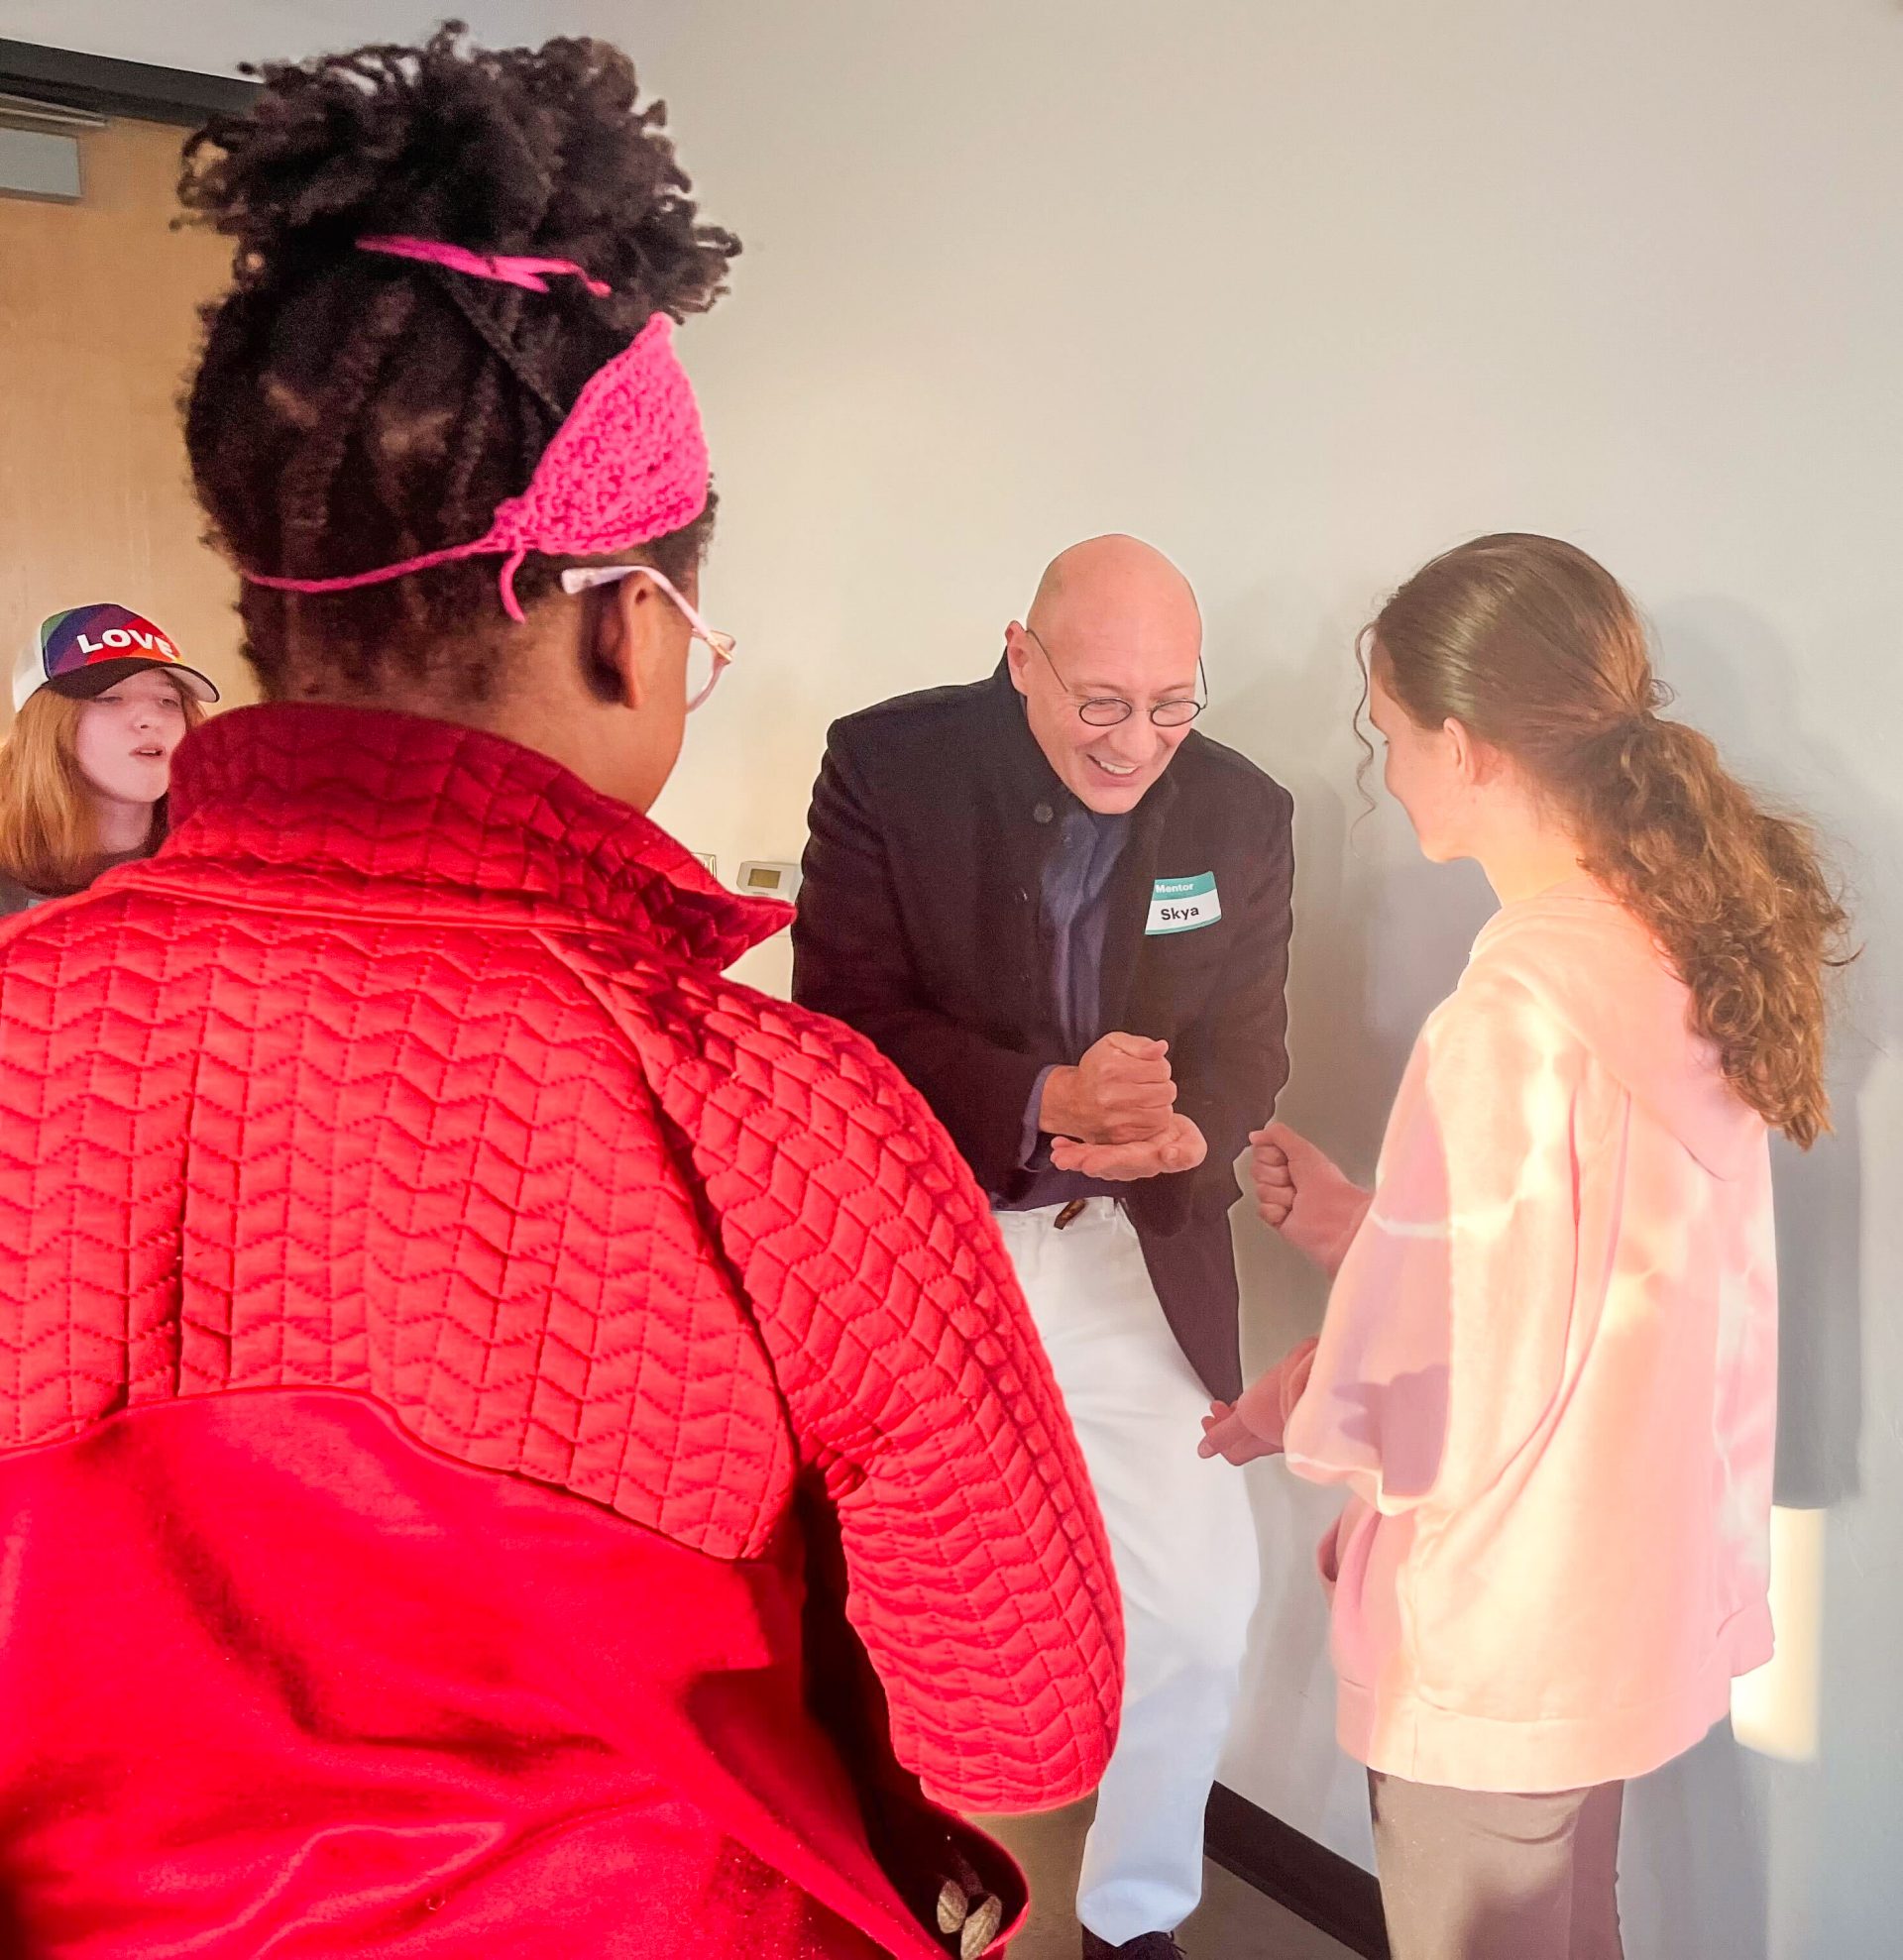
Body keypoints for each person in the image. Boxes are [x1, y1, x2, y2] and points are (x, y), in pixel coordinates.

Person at [0, 29, 1120, 1959]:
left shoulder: (25, 1022)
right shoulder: (781, 1116)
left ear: (269, 618)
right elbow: (1020, 1708)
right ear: (626, 625)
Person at [1200, 533, 1847, 1960]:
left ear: (1470, 743)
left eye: (1389, 732)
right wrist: (1370, 1231)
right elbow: (1582, 1296)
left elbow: (1445, 1386)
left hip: (1500, 1632)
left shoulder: (1509, 1018)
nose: (1386, 767)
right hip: (1618, 1598)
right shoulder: (1674, 957)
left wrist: (1285, 1397)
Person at [793, 535, 1295, 1959]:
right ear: (1022, 655)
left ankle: (1134, 1917)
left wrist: (1190, 1138)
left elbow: (1248, 1047)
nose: (1137, 742)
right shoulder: (890, 767)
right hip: (938, 1245)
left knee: (1200, 1612)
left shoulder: (1245, 811)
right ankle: (897, 1880)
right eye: (1101, 701)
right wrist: (1041, 1098)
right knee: (890, 1605)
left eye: (1173, 705)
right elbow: (848, 1018)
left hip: (1128, 1251)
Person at [0, 602, 216, 914]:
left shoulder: (224, 856)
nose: (149, 718)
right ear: (45, 723)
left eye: (168, 700)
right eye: (110, 697)